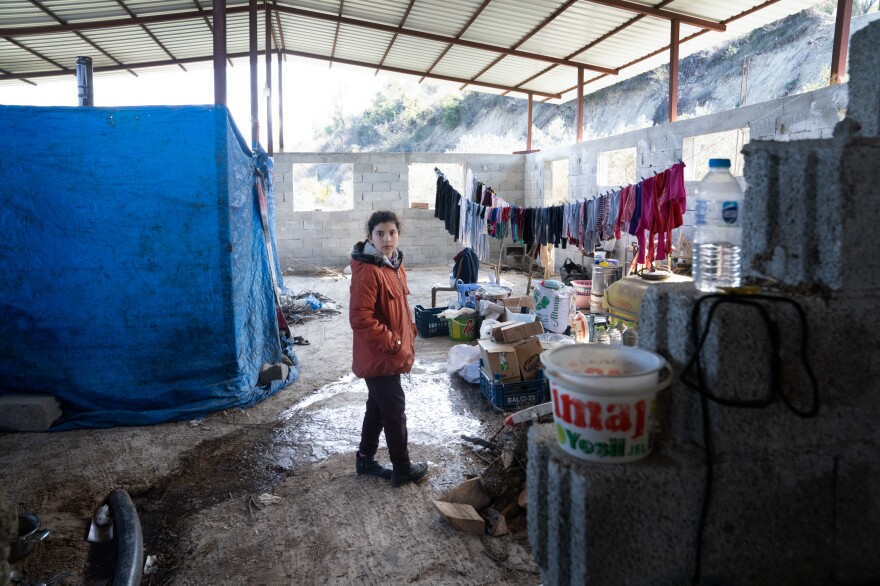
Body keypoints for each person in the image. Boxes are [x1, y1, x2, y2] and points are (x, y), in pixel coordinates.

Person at [349, 211, 428, 487]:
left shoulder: (394, 265)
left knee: (378, 406)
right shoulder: (368, 270)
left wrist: (409, 333)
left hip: (389, 352)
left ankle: (365, 459)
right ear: (369, 236)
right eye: (380, 233)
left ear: (398, 234)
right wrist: (394, 343)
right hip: (378, 355)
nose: (387, 238)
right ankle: (402, 468)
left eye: (392, 232)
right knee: (394, 408)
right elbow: (360, 319)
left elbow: (400, 309)